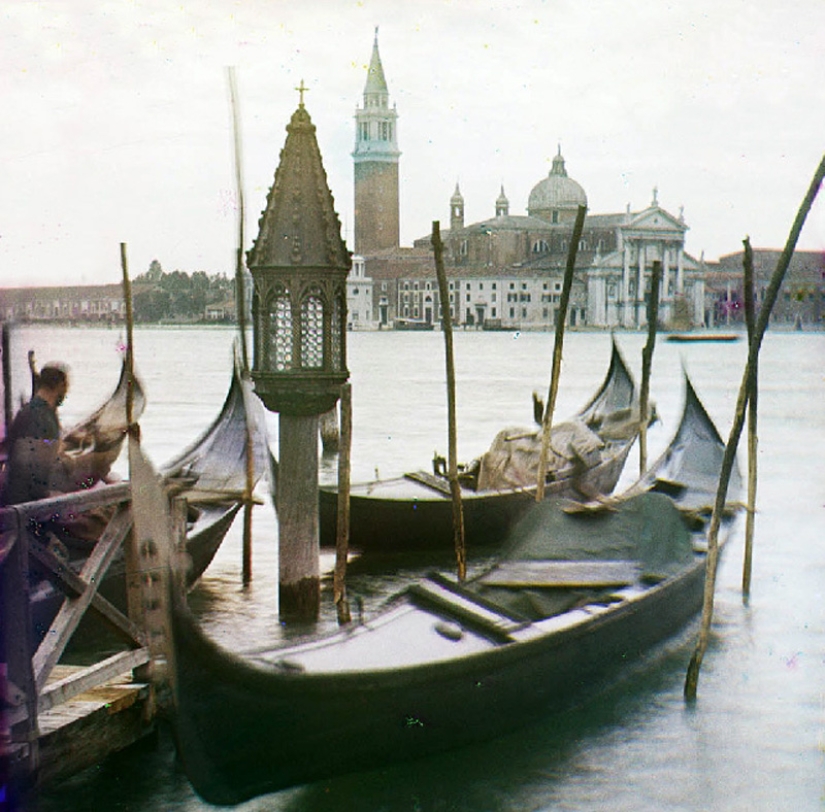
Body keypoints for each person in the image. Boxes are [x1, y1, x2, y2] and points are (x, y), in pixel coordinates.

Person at [1, 363, 70, 505]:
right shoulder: (41, 417)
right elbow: (34, 471)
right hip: (28, 504)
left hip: (19, 495)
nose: (66, 393)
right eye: (66, 387)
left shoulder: (30, 411)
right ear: (60, 386)